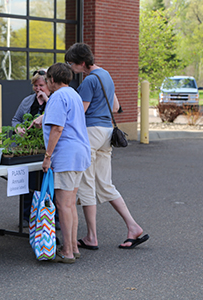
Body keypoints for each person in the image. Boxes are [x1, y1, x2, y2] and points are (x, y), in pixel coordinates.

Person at [65, 42, 149, 249]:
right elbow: (116, 106)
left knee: (86, 185)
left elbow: (80, 113)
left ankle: (91, 237)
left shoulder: (87, 82)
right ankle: (133, 226)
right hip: (107, 132)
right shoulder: (106, 75)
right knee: (105, 184)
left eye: (71, 63)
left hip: (90, 133)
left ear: (82, 63)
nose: (70, 67)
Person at [31, 62, 91, 263]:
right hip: (80, 153)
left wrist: (47, 157)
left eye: (47, 80)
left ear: (52, 80)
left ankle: (67, 251)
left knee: (63, 205)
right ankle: (73, 246)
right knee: (70, 204)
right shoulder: (74, 94)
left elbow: (57, 129)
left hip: (66, 154)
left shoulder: (57, 97)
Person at [11, 69, 51, 227]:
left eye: (41, 85)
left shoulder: (54, 100)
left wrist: (47, 99)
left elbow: (59, 116)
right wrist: (18, 129)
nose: (38, 88)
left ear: (48, 84)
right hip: (29, 147)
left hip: (46, 147)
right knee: (29, 184)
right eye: (35, 85)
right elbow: (16, 119)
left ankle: (49, 217)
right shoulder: (27, 101)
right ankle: (26, 216)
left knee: (46, 184)